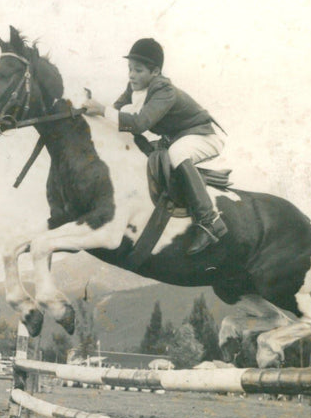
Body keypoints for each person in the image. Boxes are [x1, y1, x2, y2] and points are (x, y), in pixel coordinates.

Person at [81, 38, 227, 255]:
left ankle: (209, 221)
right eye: (130, 69)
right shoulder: (135, 86)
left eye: (138, 70)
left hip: (204, 136)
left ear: (155, 72)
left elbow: (139, 123)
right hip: (179, 137)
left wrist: (101, 110)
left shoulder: (163, 90)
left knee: (177, 153)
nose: (131, 75)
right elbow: (116, 113)